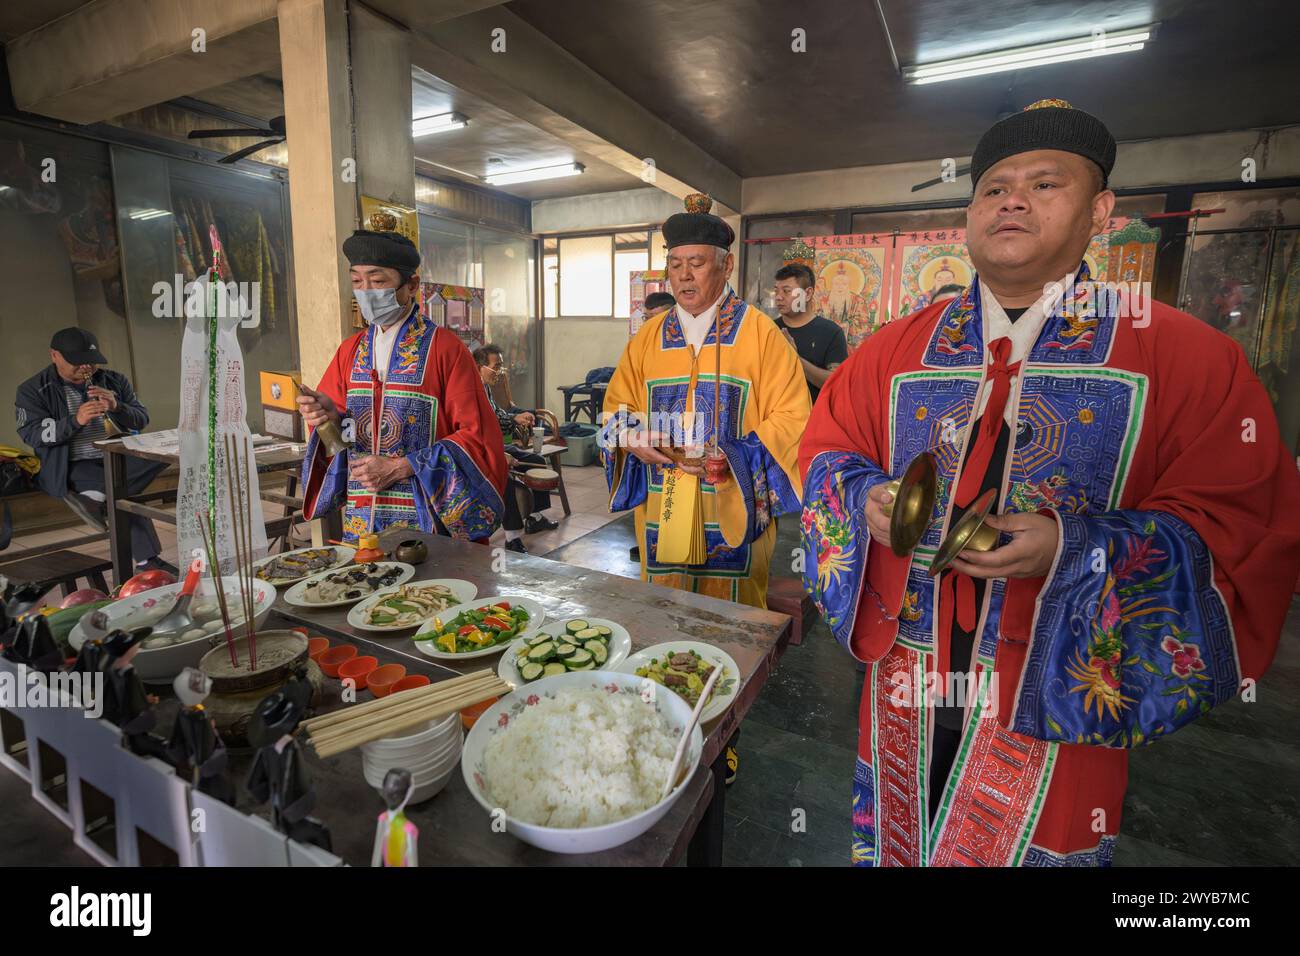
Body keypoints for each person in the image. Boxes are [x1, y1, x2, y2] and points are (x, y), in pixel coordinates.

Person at [799, 98, 1300, 867]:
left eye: (1044, 183)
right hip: (911, 666)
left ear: (1100, 210)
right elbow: (828, 449)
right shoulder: (894, 350)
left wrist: (1075, 546)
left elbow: (1244, 527)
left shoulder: (1185, 356)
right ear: (968, 213)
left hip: (1055, 674)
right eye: (994, 186)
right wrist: (858, 492)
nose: (1013, 201)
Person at [601, 193, 810, 610]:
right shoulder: (647, 337)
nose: (684, 277)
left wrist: (735, 455)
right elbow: (613, 410)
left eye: (696, 264)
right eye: (675, 265)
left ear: (726, 264)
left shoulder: (761, 334)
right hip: (665, 500)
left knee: (735, 623)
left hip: (734, 501)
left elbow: (795, 419)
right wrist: (629, 436)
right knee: (663, 614)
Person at [297, 230, 506, 543]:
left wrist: (403, 466)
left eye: (378, 281)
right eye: (357, 281)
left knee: (428, 592)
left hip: (428, 519)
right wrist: (331, 421)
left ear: (412, 285)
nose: (365, 291)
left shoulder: (445, 349)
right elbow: (340, 443)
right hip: (363, 519)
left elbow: (477, 438)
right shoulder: (350, 352)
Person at [15, 327, 172, 573]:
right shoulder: (33, 390)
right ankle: (148, 561)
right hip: (72, 463)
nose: (86, 368)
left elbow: (141, 419)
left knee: (163, 454)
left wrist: (117, 405)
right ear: (54, 355)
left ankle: (94, 498)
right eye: (77, 362)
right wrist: (75, 421)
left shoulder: (114, 380)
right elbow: (31, 434)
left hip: (115, 455)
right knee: (120, 494)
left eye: (90, 362)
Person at [473, 344, 558, 553]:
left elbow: (496, 415)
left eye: (501, 366)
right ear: (479, 366)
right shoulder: (471, 391)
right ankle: (512, 537)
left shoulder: (485, 386)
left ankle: (534, 517)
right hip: (479, 450)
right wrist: (511, 423)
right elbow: (480, 426)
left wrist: (516, 417)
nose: (500, 372)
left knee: (537, 461)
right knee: (506, 476)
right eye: (497, 366)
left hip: (497, 444)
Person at [628, 291, 676, 563]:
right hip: (652, 448)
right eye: (645, 318)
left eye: (653, 318)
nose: (649, 324)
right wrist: (627, 435)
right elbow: (621, 402)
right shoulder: (640, 347)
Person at [773, 263, 849, 403]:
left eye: (786, 291)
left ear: (807, 294)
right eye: (776, 291)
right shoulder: (770, 328)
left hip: (814, 419)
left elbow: (836, 383)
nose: (778, 297)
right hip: (775, 418)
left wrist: (796, 359)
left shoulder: (831, 332)